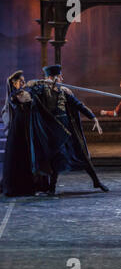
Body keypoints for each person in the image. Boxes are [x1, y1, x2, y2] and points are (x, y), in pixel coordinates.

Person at [28, 65, 108, 194]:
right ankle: (52, 188)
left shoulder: (64, 91)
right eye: (59, 76)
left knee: (82, 154)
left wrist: (93, 117)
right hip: (54, 130)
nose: (62, 78)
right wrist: (33, 84)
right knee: (56, 158)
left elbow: (77, 104)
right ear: (51, 77)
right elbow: (32, 94)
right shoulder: (42, 90)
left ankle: (96, 181)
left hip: (68, 129)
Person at [2, 71, 65, 196]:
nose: (24, 83)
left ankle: (37, 185)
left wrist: (39, 84)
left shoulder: (26, 92)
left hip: (29, 128)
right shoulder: (17, 95)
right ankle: (19, 187)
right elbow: (24, 97)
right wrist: (32, 85)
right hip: (19, 131)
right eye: (21, 81)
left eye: (24, 81)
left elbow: (37, 95)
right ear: (14, 84)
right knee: (20, 158)